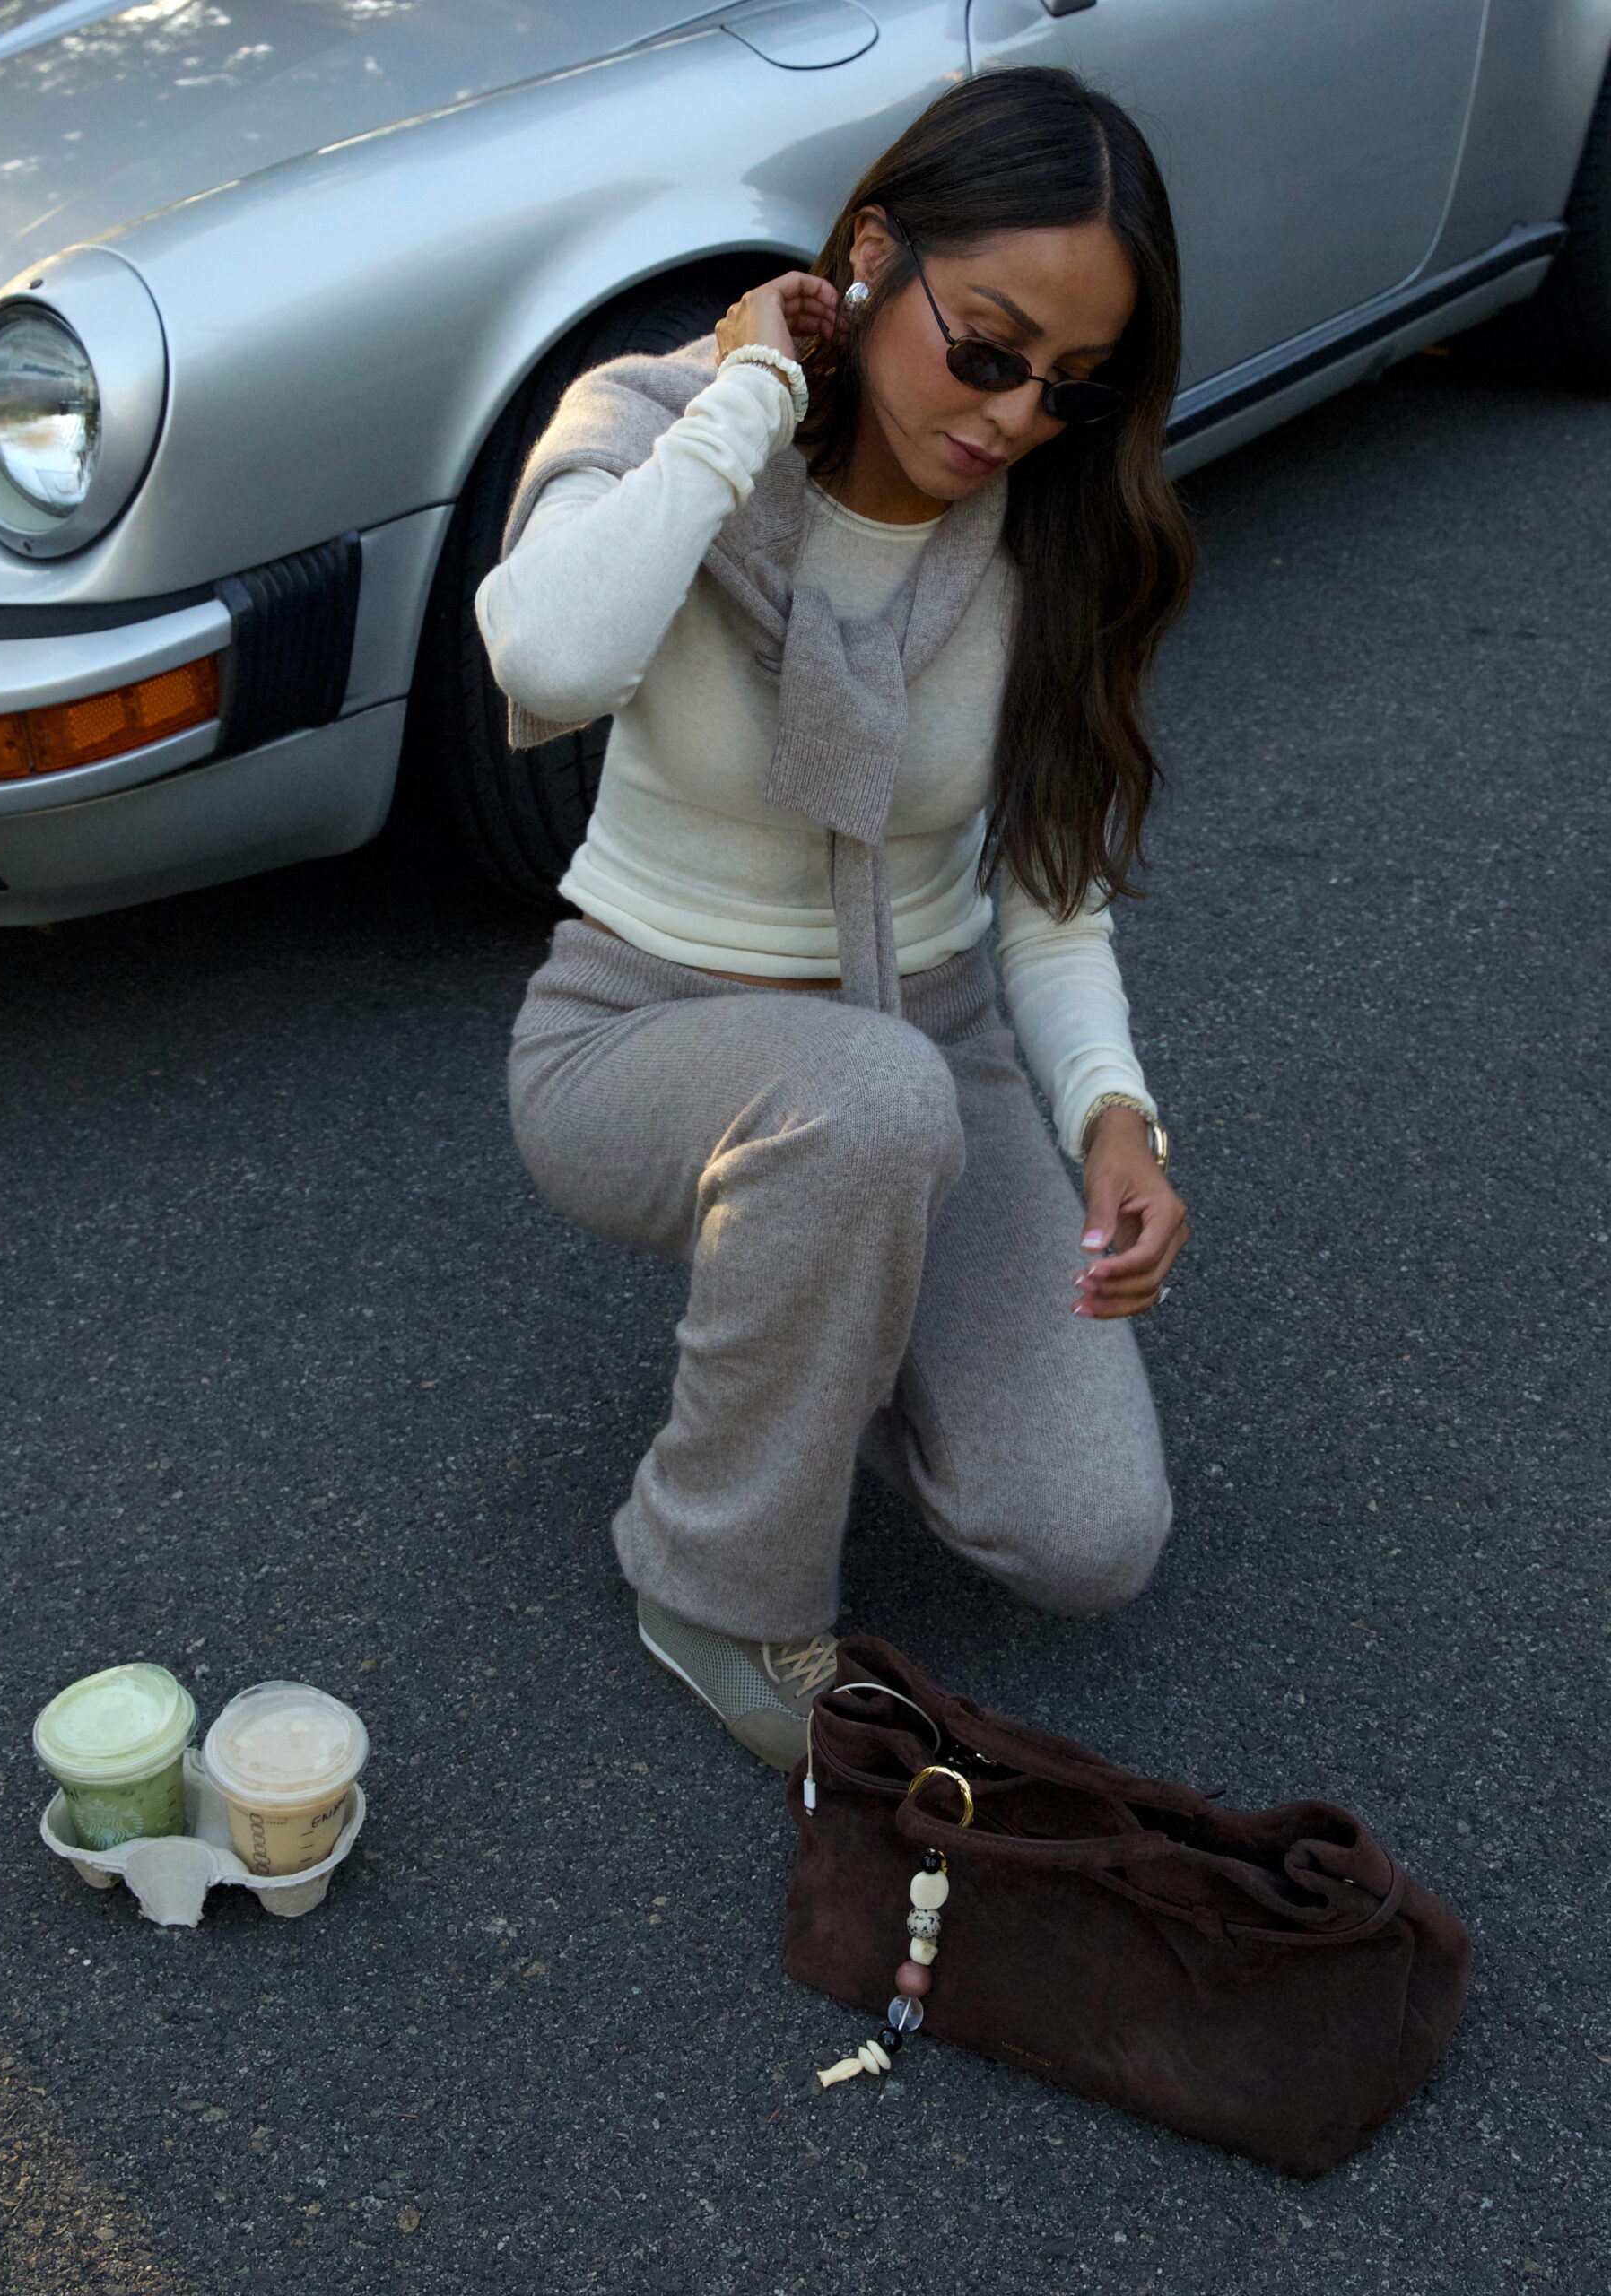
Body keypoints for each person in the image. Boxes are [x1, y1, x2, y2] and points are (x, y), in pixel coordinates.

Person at [476, 67, 1194, 1770]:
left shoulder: (1053, 542)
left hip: (928, 1044)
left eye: (1075, 385)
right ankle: (709, 1583)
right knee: (864, 1107)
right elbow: (550, 659)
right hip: (640, 1030)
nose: (1016, 418)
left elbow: (1049, 897)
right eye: (988, 348)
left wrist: (1115, 1115)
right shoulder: (654, 419)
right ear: (875, 256)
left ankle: (816, 1317)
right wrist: (748, 392)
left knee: (1088, 1538)